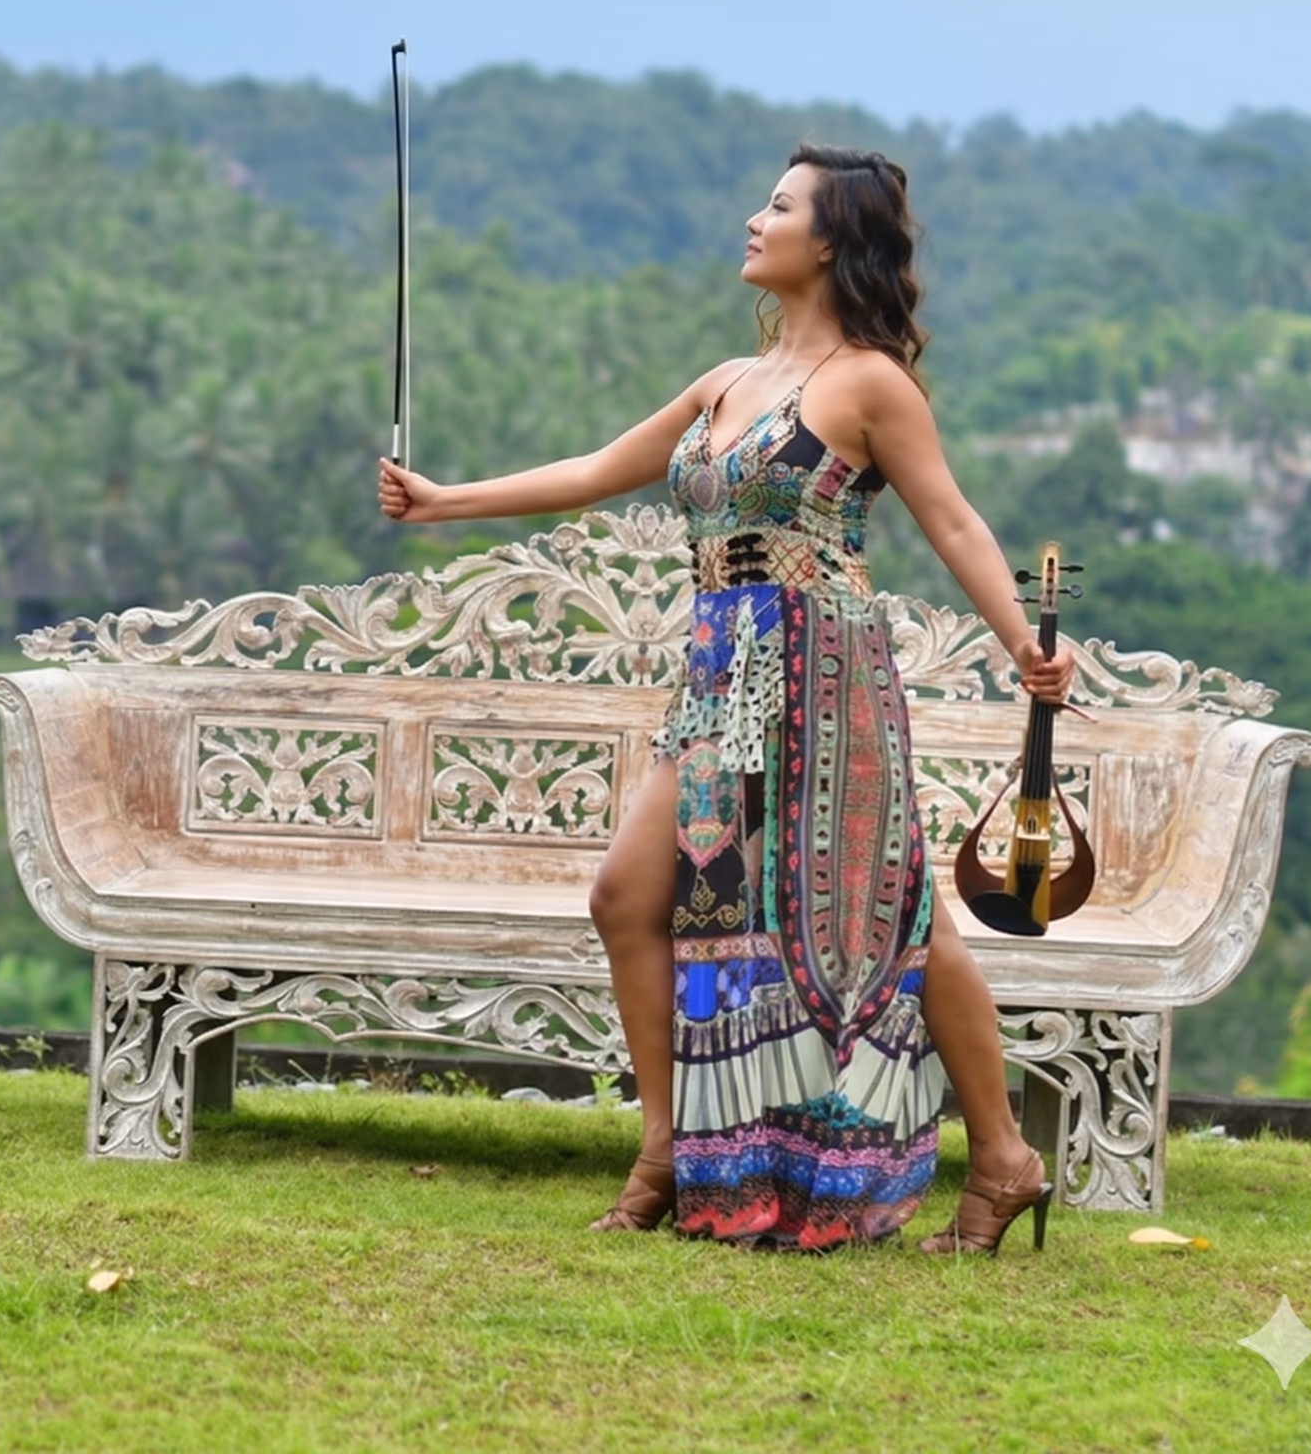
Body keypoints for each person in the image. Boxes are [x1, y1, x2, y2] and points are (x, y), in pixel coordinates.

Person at [376, 144, 1074, 1254]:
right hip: (719, 676)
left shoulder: (871, 383)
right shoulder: (725, 382)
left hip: (825, 676)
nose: (755, 219)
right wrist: (440, 500)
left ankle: (1002, 1159)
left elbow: (952, 519)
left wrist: (1025, 645)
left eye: (780, 206)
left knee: (893, 921)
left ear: (831, 242)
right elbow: (599, 470)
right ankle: (669, 1150)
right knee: (626, 897)